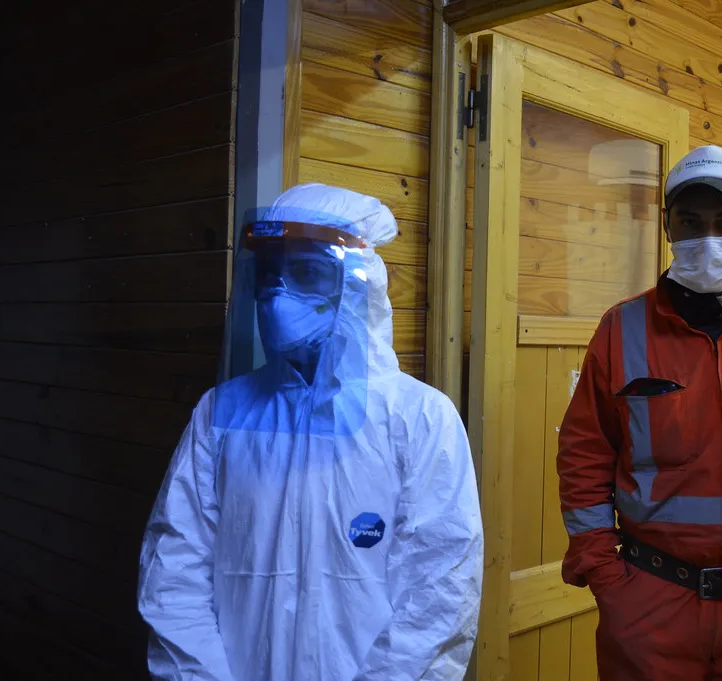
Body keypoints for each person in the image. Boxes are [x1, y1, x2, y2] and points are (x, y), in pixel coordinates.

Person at [137, 184, 484, 681]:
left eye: (305, 273)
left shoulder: (420, 418)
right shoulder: (222, 413)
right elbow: (174, 572)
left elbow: (439, 594)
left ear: (356, 287)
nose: (278, 292)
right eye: (271, 273)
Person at [557, 145, 722, 680]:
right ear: (667, 226)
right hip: (652, 605)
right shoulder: (622, 328)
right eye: (690, 222)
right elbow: (584, 455)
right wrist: (608, 578)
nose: (709, 239)